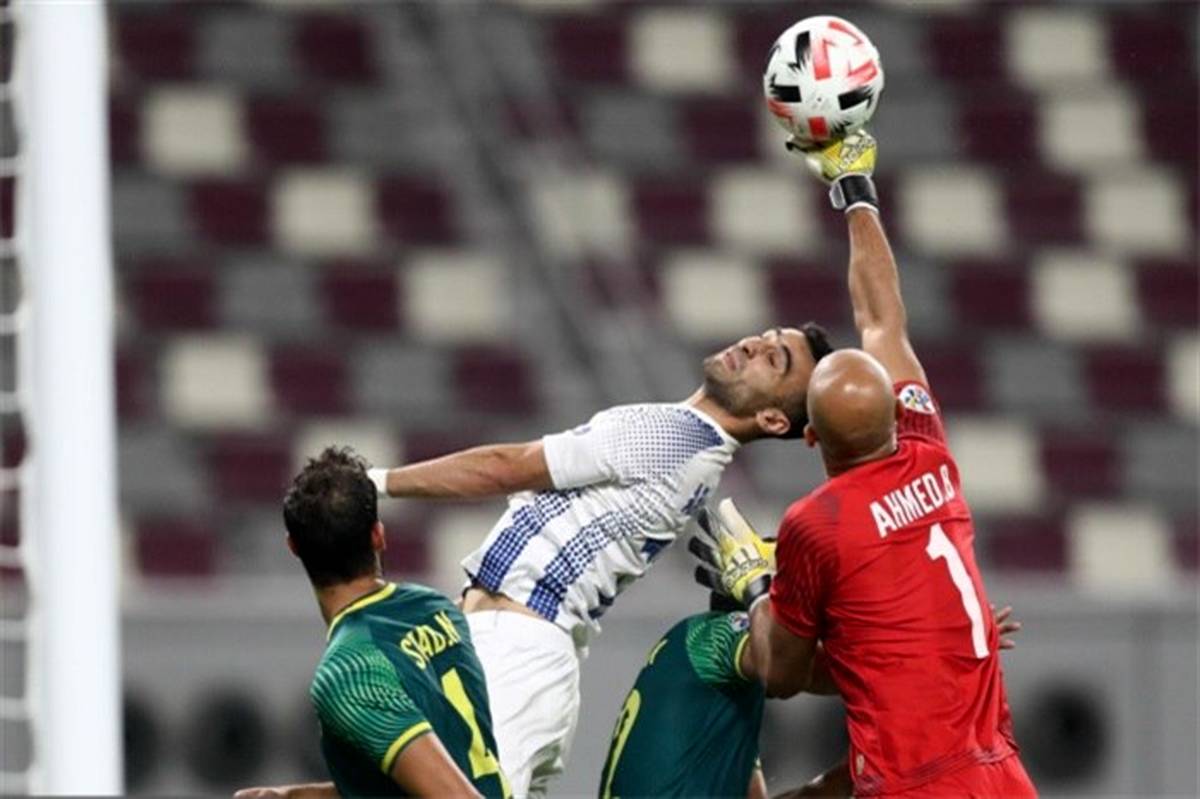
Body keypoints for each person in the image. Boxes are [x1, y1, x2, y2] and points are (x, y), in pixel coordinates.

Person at [692, 131, 1037, 798]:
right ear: (896, 409)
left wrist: (753, 584)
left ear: (810, 438)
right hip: (1003, 772)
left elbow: (781, 672)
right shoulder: (929, 450)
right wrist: (856, 190)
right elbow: (882, 321)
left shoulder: (816, 523)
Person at [368, 321, 833, 795]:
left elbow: (509, 466)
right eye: (766, 337)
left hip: (518, 648)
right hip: (522, 646)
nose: (754, 345)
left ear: (773, 420)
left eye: (774, 359)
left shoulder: (677, 436)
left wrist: (376, 483)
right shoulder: (695, 447)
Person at [236, 447, 509, 799]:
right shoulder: (436, 608)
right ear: (378, 535)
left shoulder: (351, 671)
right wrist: (294, 796)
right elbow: (425, 775)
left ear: (294, 547)